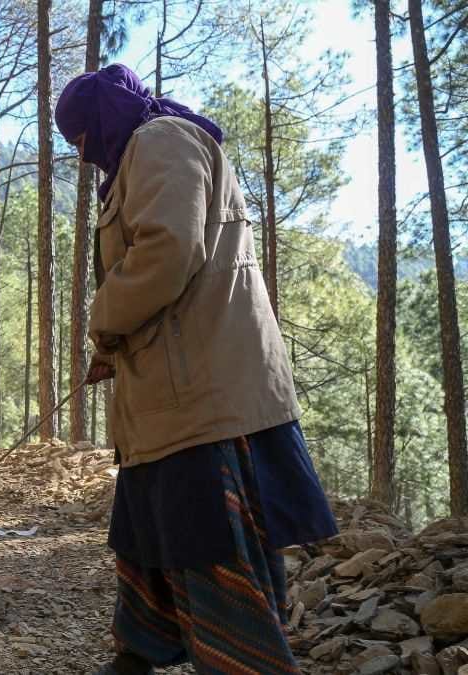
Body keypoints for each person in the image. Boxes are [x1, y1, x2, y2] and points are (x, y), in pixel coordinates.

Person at [55, 64, 338, 675]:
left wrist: (103, 320)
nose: (81, 156)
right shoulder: (145, 152)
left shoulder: (160, 141)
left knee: (207, 541)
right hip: (171, 392)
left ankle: (244, 664)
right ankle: (141, 650)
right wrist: (114, 343)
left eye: (80, 138)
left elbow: (168, 251)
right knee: (150, 532)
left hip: (202, 393)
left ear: (101, 121)